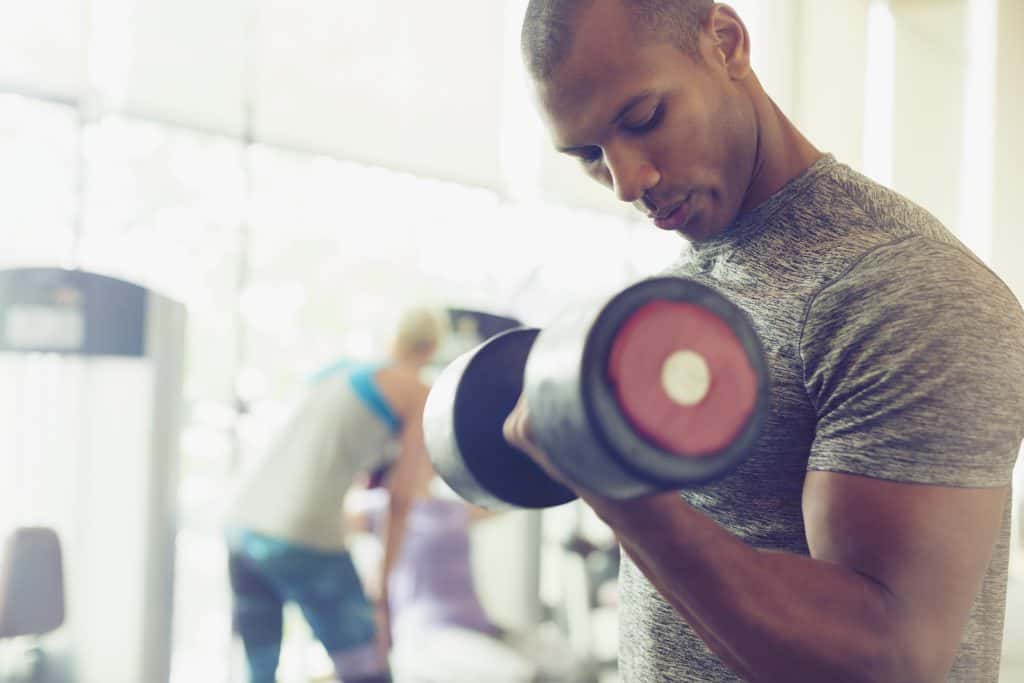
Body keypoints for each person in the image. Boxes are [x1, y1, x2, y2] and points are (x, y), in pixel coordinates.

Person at [503, 2, 1024, 681]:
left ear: (726, 42)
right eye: (588, 156)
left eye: (642, 120)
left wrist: (618, 489)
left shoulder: (904, 286)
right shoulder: (690, 279)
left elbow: (891, 656)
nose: (628, 180)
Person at [223, 308, 445, 683]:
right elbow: (403, 497)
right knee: (368, 671)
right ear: (432, 348)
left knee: (260, 670)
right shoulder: (417, 392)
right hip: (299, 535)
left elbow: (321, 449)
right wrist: (383, 590)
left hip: (242, 522)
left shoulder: (339, 371)